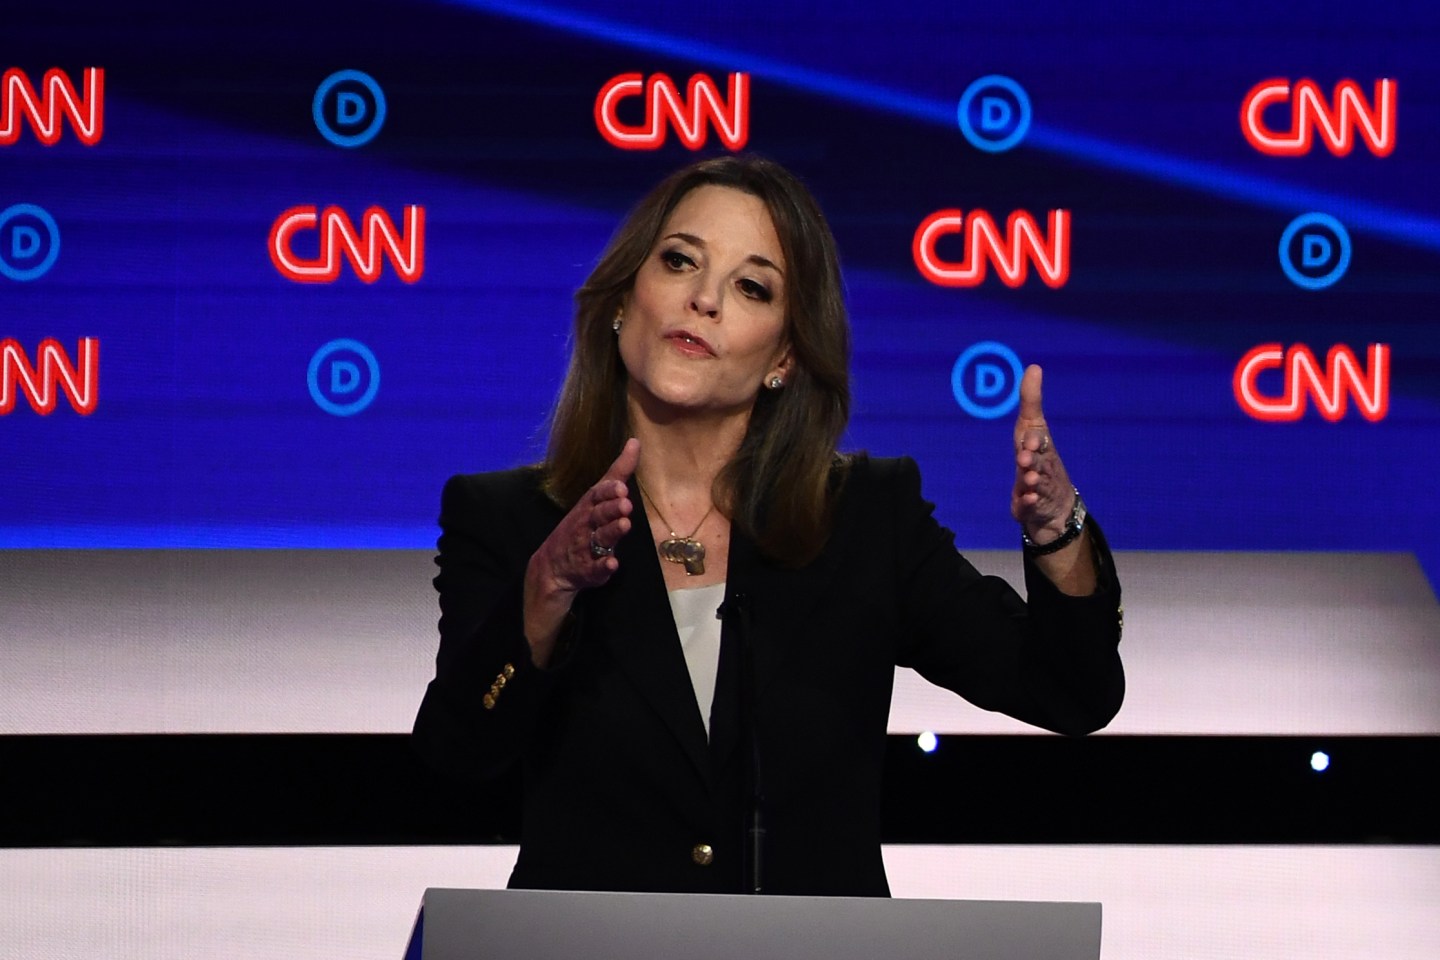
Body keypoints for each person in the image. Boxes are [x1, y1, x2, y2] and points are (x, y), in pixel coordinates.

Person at [412, 155, 1124, 897]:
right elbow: (457, 752)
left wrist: (1057, 527)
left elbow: (1071, 692)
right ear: (624, 298)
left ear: (784, 356)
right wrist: (546, 593)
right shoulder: (509, 519)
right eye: (680, 261)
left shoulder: (864, 518)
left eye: (751, 287)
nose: (704, 299)